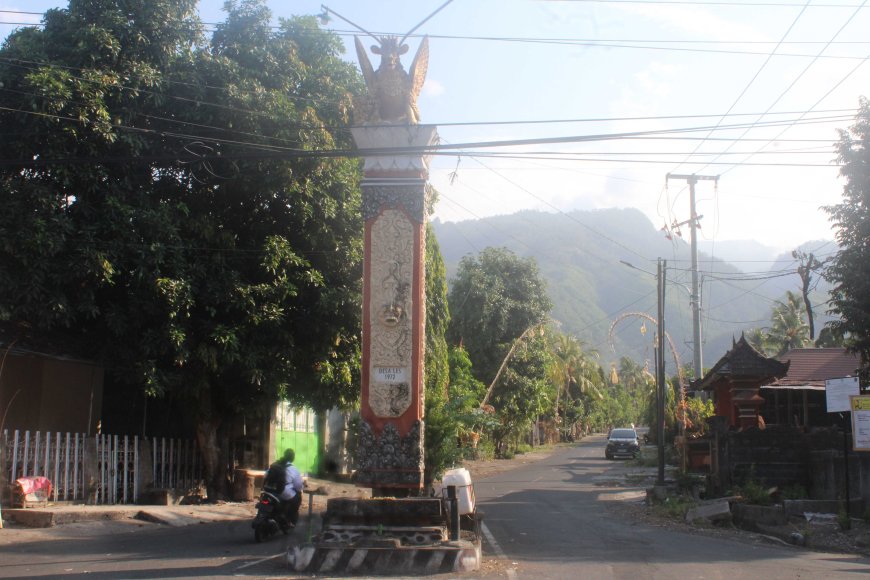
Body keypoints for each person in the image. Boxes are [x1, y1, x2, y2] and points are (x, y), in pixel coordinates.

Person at [264, 448, 304, 529]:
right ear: (293, 458)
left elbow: (265, 475)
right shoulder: (293, 469)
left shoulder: (275, 464)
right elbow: (298, 486)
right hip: (282, 492)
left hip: (268, 489)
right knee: (297, 496)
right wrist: (300, 488)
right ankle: (290, 520)